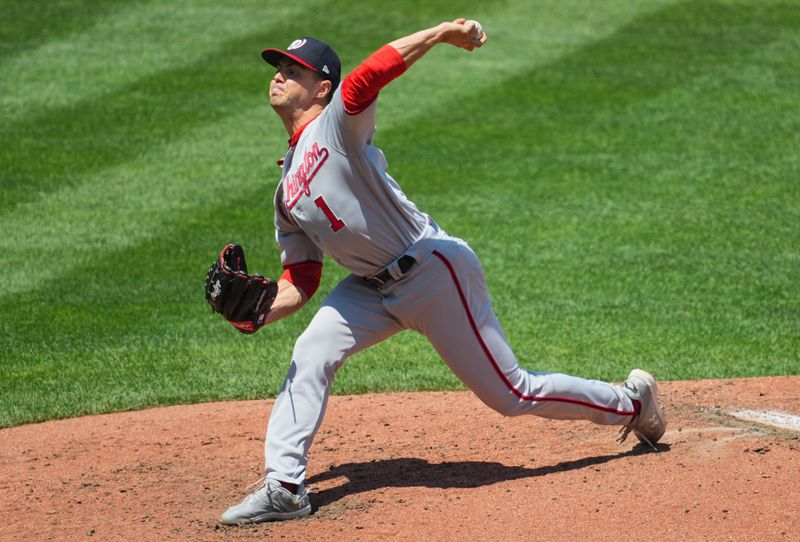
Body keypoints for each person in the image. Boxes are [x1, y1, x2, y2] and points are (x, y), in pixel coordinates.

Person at [219, 19, 666, 525]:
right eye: (278, 67)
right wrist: (252, 315)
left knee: (512, 394)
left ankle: (632, 403)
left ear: (322, 87)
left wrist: (437, 34)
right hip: (367, 289)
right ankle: (284, 486)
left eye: (292, 69)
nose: (279, 74)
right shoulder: (285, 190)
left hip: (431, 269)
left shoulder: (338, 125)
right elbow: (300, 279)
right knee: (311, 350)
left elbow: (368, 76)